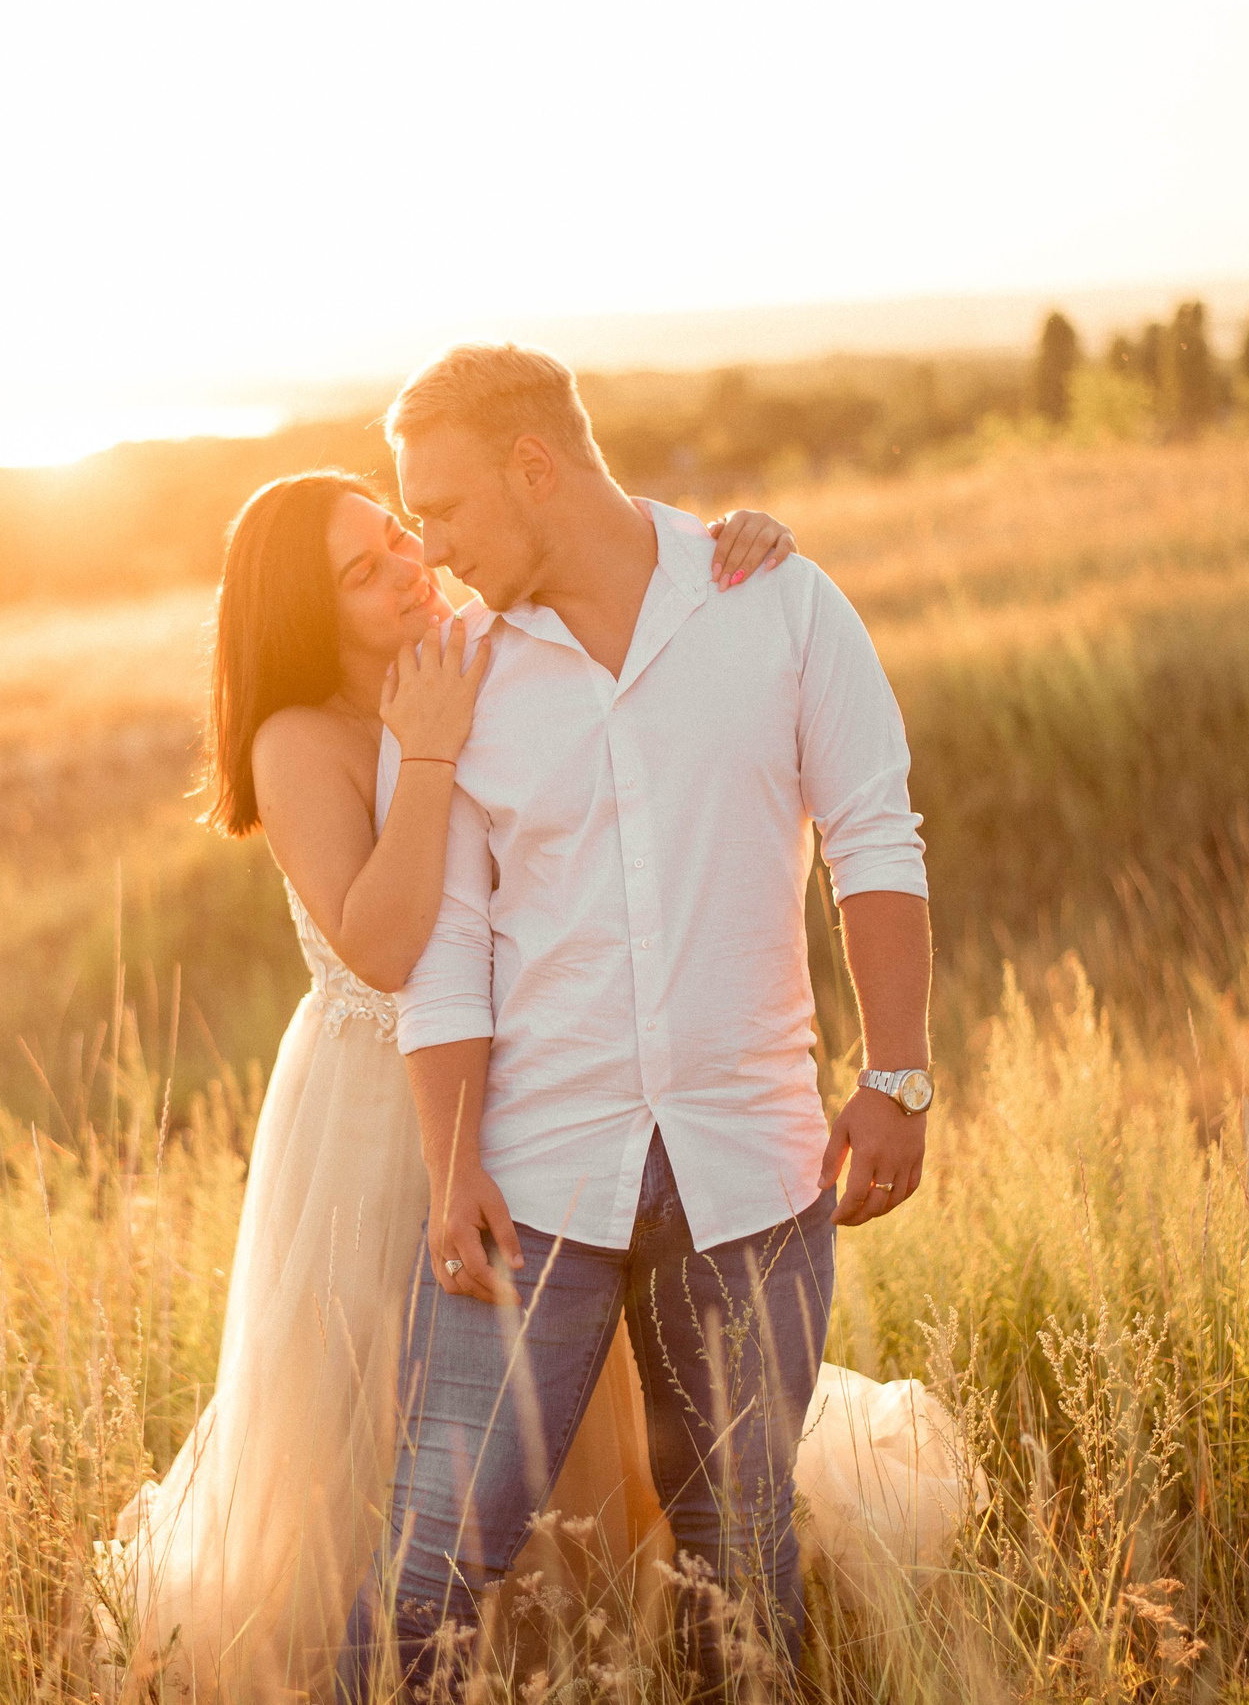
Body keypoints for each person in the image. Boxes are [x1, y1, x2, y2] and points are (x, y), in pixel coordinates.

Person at [107, 470, 802, 1697]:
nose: (405, 568)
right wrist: (424, 748)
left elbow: (582, 542)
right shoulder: (301, 738)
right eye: (361, 572)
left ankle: (582, 1646)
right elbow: (382, 944)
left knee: (578, 1402)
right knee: (391, 1410)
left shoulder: (480, 644)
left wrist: (717, 543)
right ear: (300, 616)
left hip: (527, 1080)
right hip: (375, 1115)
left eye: (396, 538)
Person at [341, 343, 947, 1701]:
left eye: (441, 509)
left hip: (752, 1165)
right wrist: (452, 1165)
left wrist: (896, 1074)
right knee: (433, 1562)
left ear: (535, 467)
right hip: (537, 1184)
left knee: (739, 1557)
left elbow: (874, 833)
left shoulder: (776, 603)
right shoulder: (453, 676)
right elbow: (444, 957)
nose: (426, 548)